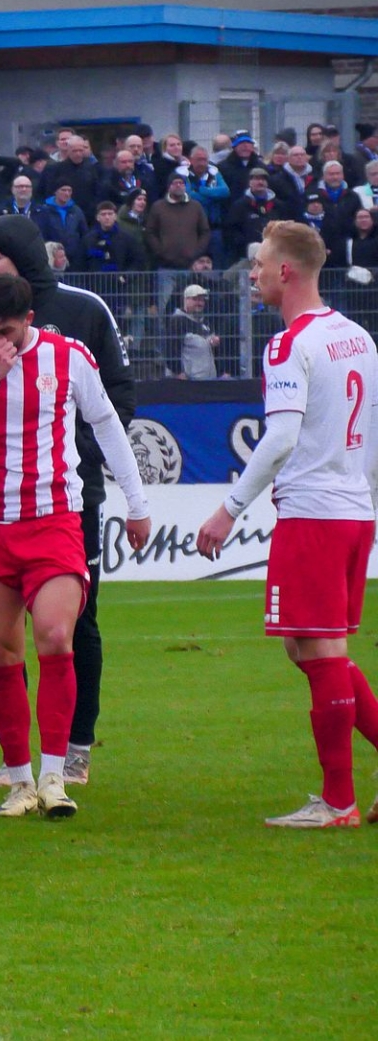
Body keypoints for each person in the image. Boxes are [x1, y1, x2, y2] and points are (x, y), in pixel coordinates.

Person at [195, 222, 378, 828]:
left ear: (285, 272)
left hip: (315, 513)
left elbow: (280, 437)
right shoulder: (357, 336)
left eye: (258, 264)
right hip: (353, 510)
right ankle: (340, 796)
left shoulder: (288, 344)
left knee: (321, 650)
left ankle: (338, 802)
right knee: (306, 646)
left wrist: (228, 509)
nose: (252, 274)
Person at [0, 274, 151, 819]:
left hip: (53, 518)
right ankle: (19, 781)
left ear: (29, 320)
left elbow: (107, 425)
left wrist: (136, 502)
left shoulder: (70, 357)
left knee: (58, 637)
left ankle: (55, 776)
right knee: (2, 653)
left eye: (7, 332)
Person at [168, 284, 222, 380]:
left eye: (202, 300)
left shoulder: (204, 320)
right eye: (195, 299)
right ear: (186, 300)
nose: (200, 303)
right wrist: (178, 373)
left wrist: (212, 342)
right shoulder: (177, 321)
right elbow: (171, 350)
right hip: (189, 380)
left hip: (208, 379)